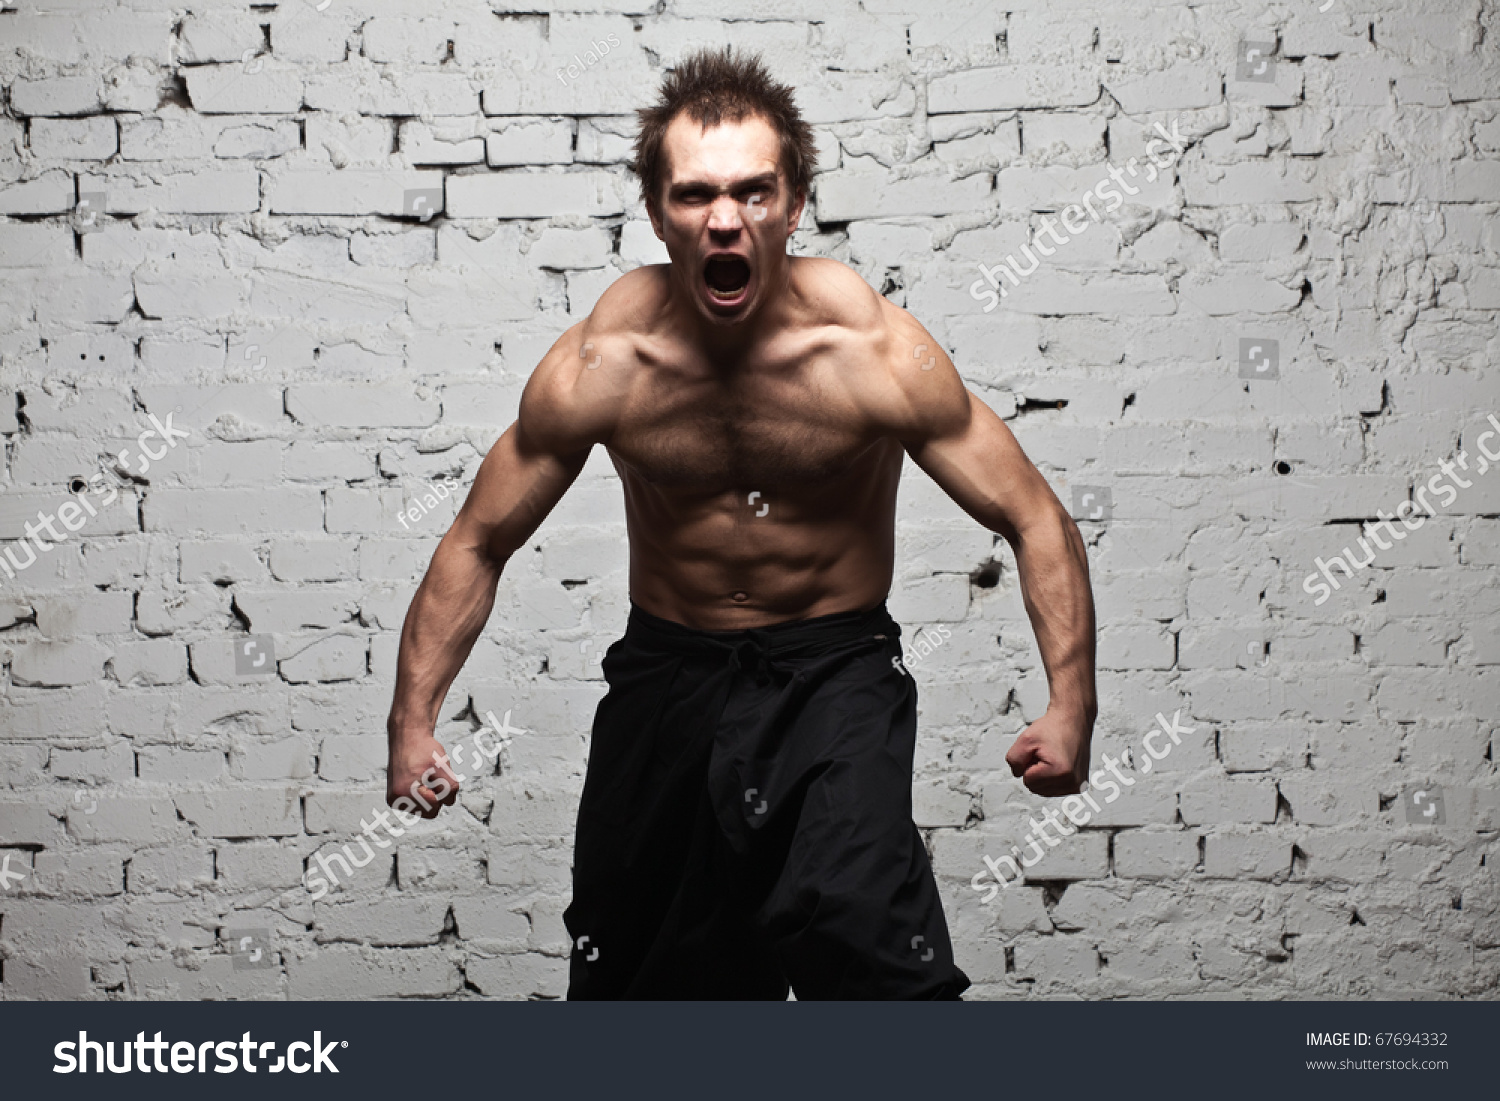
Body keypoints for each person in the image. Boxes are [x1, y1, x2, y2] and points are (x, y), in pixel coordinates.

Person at [385, 46, 1097, 999]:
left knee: (873, 950)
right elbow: (479, 536)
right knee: (647, 980)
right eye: (695, 195)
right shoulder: (608, 359)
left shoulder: (870, 351)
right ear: (657, 213)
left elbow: (1033, 515)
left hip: (832, 674)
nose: (726, 217)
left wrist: (1071, 703)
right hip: (667, 680)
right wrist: (414, 721)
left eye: (754, 192)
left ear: (793, 204)